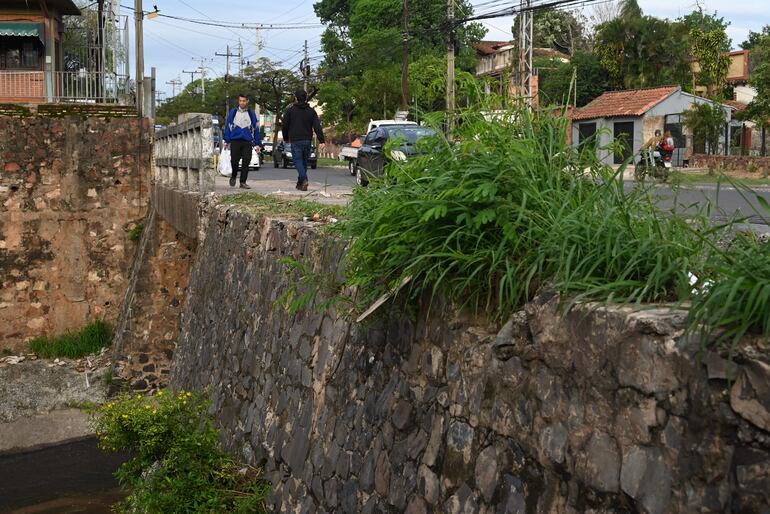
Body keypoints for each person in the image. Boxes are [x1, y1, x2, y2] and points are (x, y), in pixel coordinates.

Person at [282, 89, 326, 191]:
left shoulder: (290, 110)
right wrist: (322, 140)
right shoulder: (311, 111)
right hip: (307, 140)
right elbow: (317, 126)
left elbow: (285, 126)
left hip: (295, 140)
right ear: (305, 98)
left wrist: (286, 138)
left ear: (296, 98)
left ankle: (304, 180)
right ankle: (300, 184)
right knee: (304, 163)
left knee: (298, 161)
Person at [223, 93, 261, 189]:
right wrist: (226, 140)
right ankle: (234, 175)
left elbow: (256, 129)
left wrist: (258, 144)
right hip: (235, 140)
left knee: (246, 161)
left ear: (247, 101)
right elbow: (228, 126)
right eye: (240, 101)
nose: (242, 103)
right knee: (234, 161)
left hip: (247, 141)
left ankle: (243, 182)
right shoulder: (233, 112)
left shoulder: (251, 113)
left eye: (244, 101)